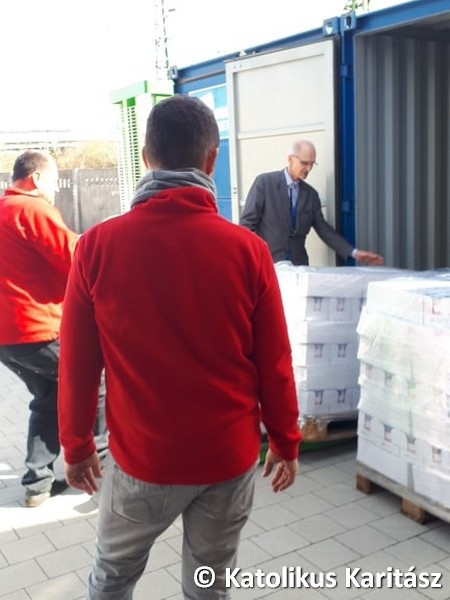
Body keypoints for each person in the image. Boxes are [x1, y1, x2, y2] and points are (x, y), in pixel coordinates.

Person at [58, 95, 301, 599]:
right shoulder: (249, 251)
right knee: (210, 585)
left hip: (142, 459)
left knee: (112, 578)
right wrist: (284, 440)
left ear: (146, 157)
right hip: (227, 458)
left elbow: (78, 364)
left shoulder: (97, 247)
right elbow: (274, 361)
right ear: (212, 159)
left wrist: (77, 447)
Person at [0, 150, 108, 508]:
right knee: (98, 380)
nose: (56, 190)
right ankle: (102, 468)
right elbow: (78, 258)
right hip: (38, 330)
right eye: (54, 181)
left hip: (8, 340)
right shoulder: (33, 209)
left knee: (47, 399)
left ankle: (37, 484)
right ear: (36, 178)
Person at [240, 139, 384, 266]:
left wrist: (354, 253)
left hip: (299, 266)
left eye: (312, 164)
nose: (308, 169)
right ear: (290, 159)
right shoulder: (265, 183)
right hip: (268, 264)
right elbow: (247, 224)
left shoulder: (311, 195)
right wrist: (254, 257)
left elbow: (324, 229)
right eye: (304, 163)